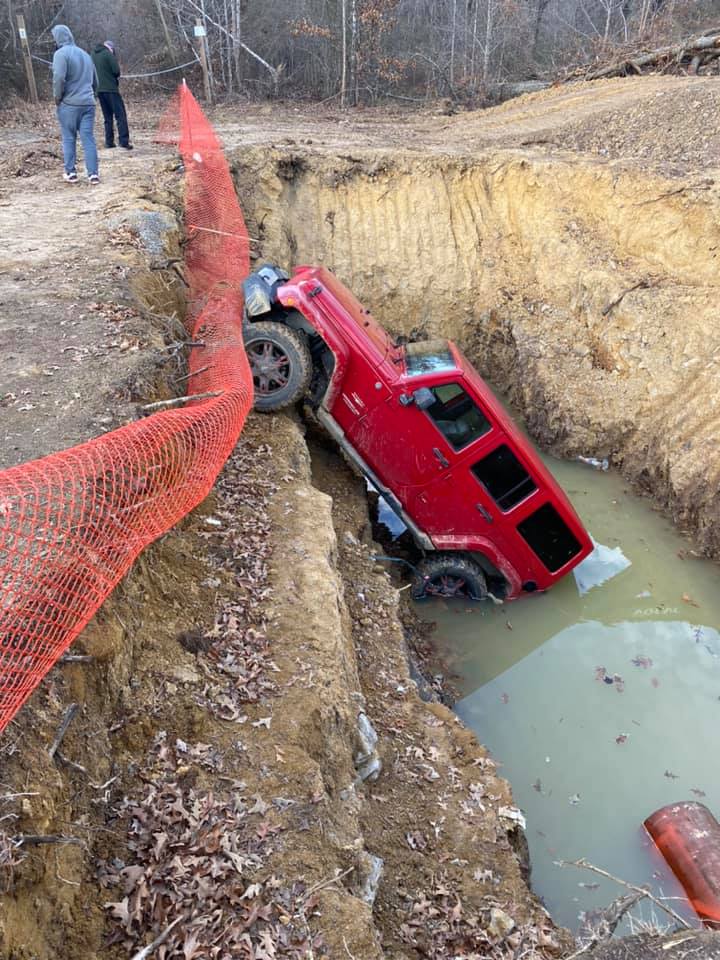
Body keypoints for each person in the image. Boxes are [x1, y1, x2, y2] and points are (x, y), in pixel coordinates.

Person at [51, 25, 99, 184]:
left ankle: (71, 172)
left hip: (69, 104)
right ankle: (93, 174)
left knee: (68, 138)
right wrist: (92, 96)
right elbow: (95, 81)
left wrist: (57, 98)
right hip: (88, 103)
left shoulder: (60, 54)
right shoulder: (86, 54)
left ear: (58, 38)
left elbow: (59, 77)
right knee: (88, 138)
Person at [91, 41, 132, 151]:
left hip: (99, 90)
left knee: (107, 117)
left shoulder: (93, 55)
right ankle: (124, 141)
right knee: (120, 115)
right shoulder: (107, 54)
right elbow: (116, 71)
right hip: (111, 89)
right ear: (111, 48)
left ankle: (109, 142)